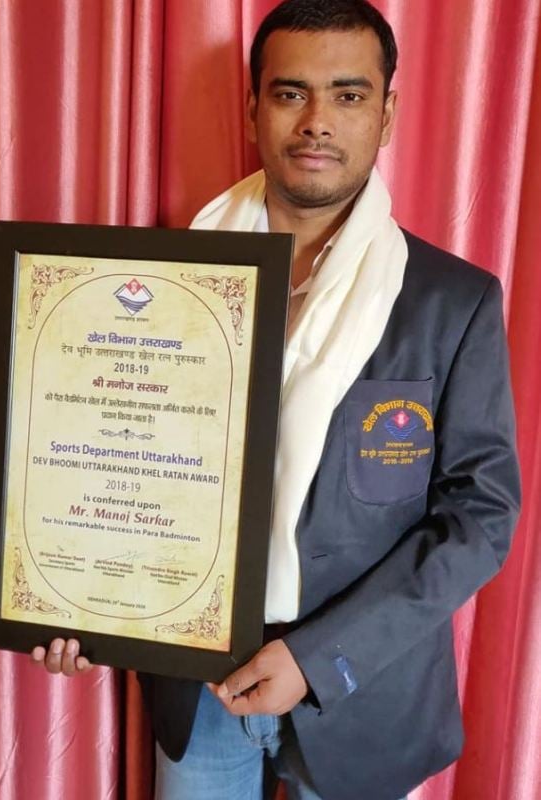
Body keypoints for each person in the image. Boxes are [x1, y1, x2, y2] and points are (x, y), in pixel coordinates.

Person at [31, 2, 521, 799]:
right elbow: (113, 457)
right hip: (198, 684)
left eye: (349, 94)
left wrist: (316, 658)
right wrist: (72, 600)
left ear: (388, 112)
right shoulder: (161, 285)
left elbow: (480, 517)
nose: (317, 120)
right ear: (253, 107)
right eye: (291, 93)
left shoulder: (451, 302)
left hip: (365, 689)